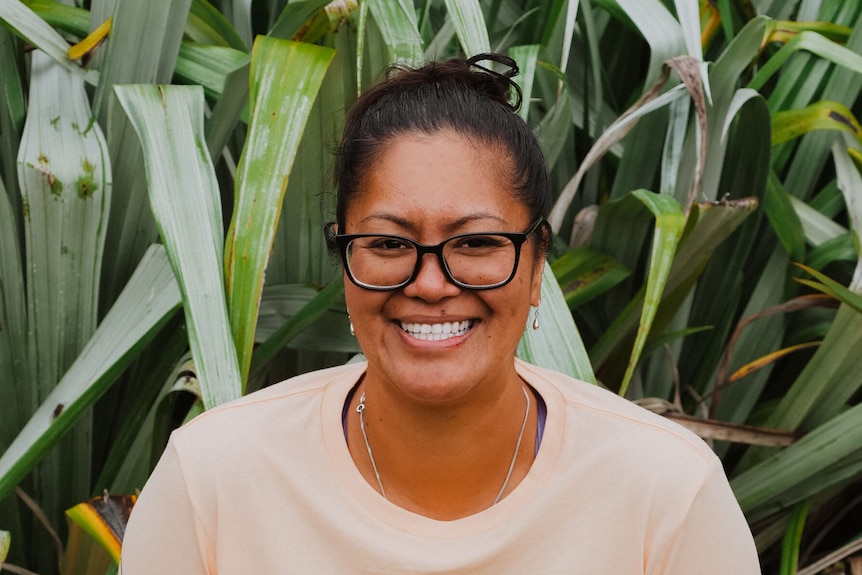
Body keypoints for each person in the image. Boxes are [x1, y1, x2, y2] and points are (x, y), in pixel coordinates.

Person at [120, 53, 761, 573]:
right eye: (389, 243)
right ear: (345, 260)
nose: (430, 283)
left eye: (478, 242)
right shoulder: (212, 480)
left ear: (538, 266)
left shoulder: (667, 494)